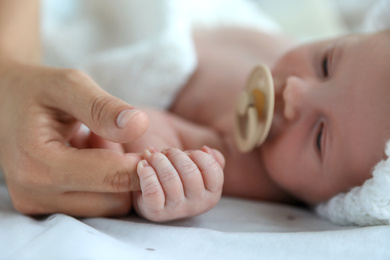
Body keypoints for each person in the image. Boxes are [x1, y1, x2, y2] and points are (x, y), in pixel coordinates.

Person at [117, 27, 390, 222]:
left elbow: (149, 130)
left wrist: (175, 179)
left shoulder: (249, 162)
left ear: (338, 200)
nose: (294, 92)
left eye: (320, 137)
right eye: (326, 64)